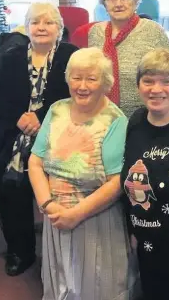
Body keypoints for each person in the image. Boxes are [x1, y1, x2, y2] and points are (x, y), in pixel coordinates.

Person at [29, 47, 140, 300]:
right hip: (55, 215)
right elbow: (35, 162)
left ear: (106, 83)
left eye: (91, 78)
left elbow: (116, 181)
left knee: (97, 286)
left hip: (94, 219)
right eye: (76, 77)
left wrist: (74, 215)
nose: (82, 86)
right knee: (60, 281)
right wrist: (47, 203)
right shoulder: (57, 110)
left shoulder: (114, 120)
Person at [0, 3, 78, 276]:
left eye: (49, 22)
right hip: (16, 134)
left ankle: (61, 252)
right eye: (35, 22)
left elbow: (80, 97)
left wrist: (42, 116)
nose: (42, 27)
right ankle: (19, 250)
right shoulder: (11, 56)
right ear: (27, 28)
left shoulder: (72, 56)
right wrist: (18, 118)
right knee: (6, 180)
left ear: (59, 28)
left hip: (59, 134)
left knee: (61, 182)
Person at [121, 49, 169, 300]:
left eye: (166, 81)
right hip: (147, 246)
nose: (156, 89)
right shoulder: (136, 121)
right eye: (148, 81)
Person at [88, 0, 169, 118]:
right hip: (102, 117)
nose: (118, 4)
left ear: (136, 1)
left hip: (147, 118)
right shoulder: (95, 32)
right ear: (104, 3)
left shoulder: (153, 30)